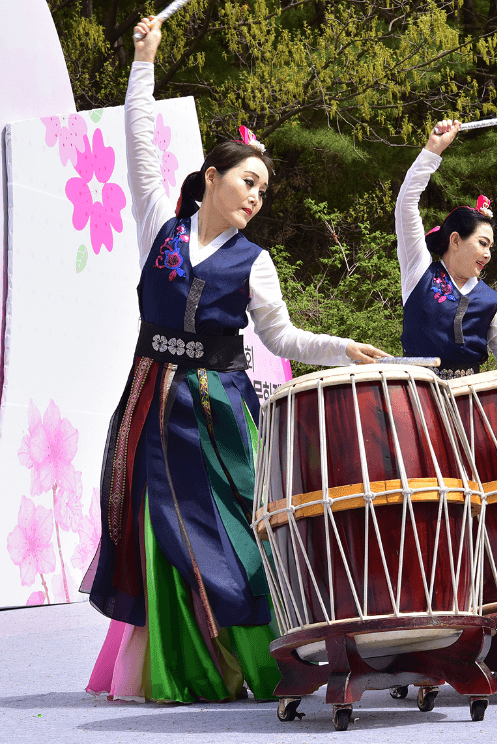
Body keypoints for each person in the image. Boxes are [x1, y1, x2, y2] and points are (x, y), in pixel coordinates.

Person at [83, 16, 387, 704]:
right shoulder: (159, 222)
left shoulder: (256, 263)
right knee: (161, 532)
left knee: (243, 536)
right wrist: (145, 61)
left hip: (220, 412)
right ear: (212, 177)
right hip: (150, 402)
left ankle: (270, 660)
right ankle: (185, 669)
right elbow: (137, 140)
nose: (255, 196)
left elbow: (280, 340)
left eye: (264, 190)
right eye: (247, 181)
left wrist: (341, 347)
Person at [395, 121, 497, 378]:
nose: (488, 254)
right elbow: (405, 205)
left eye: (491, 247)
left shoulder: (491, 301)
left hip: (470, 404)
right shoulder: (419, 271)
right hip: (416, 399)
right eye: (482, 243)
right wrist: (433, 150)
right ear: (455, 240)